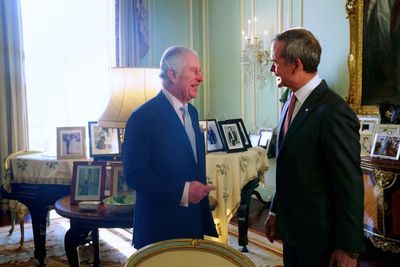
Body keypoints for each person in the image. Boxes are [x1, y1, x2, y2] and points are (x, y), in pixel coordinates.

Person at [263, 28, 364, 267]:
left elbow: (349, 183)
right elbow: (289, 167)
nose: (271, 69)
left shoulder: (334, 112)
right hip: (293, 233)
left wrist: (348, 248)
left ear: (296, 64)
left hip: (320, 240)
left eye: (275, 63)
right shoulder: (290, 101)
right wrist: (276, 211)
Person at [123, 45, 218, 249]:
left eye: (200, 71)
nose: (201, 78)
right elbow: (134, 175)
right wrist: (183, 192)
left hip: (192, 223)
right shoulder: (142, 118)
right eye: (194, 71)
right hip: (159, 228)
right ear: (173, 75)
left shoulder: (192, 113)